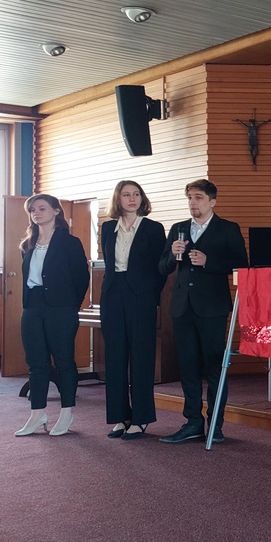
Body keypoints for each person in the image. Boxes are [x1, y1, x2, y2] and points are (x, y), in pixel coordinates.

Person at [158, 179, 247, 444]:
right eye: (189, 198)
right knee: (187, 366)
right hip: (182, 307)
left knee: (215, 367)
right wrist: (171, 254)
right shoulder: (178, 228)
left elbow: (242, 265)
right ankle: (193, 423)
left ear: (212, 202)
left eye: (198, 198)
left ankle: (216, 424)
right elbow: (162, 267)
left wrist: (209, 262)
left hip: (213, 308)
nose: (192, 203)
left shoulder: (228, 229)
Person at [16, 194, 90, 437]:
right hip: (32, 307)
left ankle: (66, 412)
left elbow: (82, 278)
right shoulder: (27, 244)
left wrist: (71, 305)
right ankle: (37, 413)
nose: (36, 213)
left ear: (56, 211)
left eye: (42, 208)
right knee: (36, 363)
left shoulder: (70, 243)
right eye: (32, 210)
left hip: (62, 308)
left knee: (64, 360)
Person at [100, 181, 167, 440]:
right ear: (118, 199)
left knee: (141, 356)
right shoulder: (108, 228)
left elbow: (160, 268)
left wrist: (149, 293)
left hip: (141, 297)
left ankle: (141, 418)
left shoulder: (153, 228)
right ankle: (120, 417)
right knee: (115, 357)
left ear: (142, 199)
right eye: (126, 194)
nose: (132, 198)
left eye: (136, 194)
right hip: (112, 295)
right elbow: (108, 263)